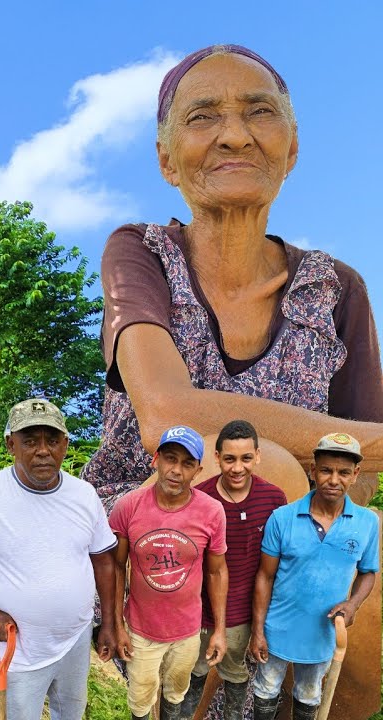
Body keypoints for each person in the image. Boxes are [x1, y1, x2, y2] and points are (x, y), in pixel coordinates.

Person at [79, 43, 383, 718]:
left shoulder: (338, 291)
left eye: (258, 112)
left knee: (366, 547)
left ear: (291, 147)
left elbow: (358, 476)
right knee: (260, 463)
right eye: (203, 116)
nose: (235, 133)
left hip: (302, 540)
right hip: (146, 521)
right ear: (166, 160)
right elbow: (166, 416)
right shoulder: (140, 253)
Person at [0, 398, 118, 720]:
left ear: (65, 444)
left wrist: (111, 624)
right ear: (11, 444)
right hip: (18, 650)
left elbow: (103, 561)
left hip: (75, 638)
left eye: (52, 440)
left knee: (71, 714)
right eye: (30, 441)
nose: (43, 450)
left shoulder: (84, 495)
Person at [248, 433, 379, 720]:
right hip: (277, 629)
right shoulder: (282, 518)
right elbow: (264, 577)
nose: (334, 479)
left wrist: (353, 603)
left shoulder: (367, 523)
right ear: (313, 471)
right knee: (266, 689)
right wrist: (258, 631)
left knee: (309, 694)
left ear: (355, 475)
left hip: (323, 633)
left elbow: (368, 572)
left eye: (344, 472)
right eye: (326, 470)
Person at [110, 426, 228, 720]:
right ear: (156, 460)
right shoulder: (129, 506)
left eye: (187, 464)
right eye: (170, 459)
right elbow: (115, 568)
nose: (176, 470)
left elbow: (216, 573)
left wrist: (220, 631)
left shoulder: (212, 512)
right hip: (140, 630)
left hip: (187, 631)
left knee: (176, 695)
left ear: (198, 470)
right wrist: (116, 624)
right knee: (140, 699)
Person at [182, 421, 288, 719]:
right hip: (200, 611)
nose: (237, 468)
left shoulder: (273, 499)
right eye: (229, 459)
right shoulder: (199, 497)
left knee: (235, 673)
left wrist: (261, 622)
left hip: (243, 613)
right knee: (192, 673)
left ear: (257, 456)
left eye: (245, 458)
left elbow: (275, 563)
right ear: (217, 458)